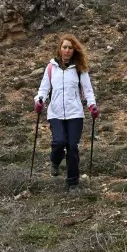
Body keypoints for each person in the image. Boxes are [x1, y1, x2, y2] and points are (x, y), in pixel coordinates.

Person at [34, 33, 98, 190]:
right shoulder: (51, 68)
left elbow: (88, 90)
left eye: (70, 48)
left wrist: (92, 105)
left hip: (75, 113)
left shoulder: (79, 69)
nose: (67, 50)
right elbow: (43, 89)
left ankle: (72, 183)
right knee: (59, 142)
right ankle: (55, 160)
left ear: (74, 50)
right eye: (64, 47)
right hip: (55, 113)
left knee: (72, 147)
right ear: (60, 49)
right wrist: (39, 100)